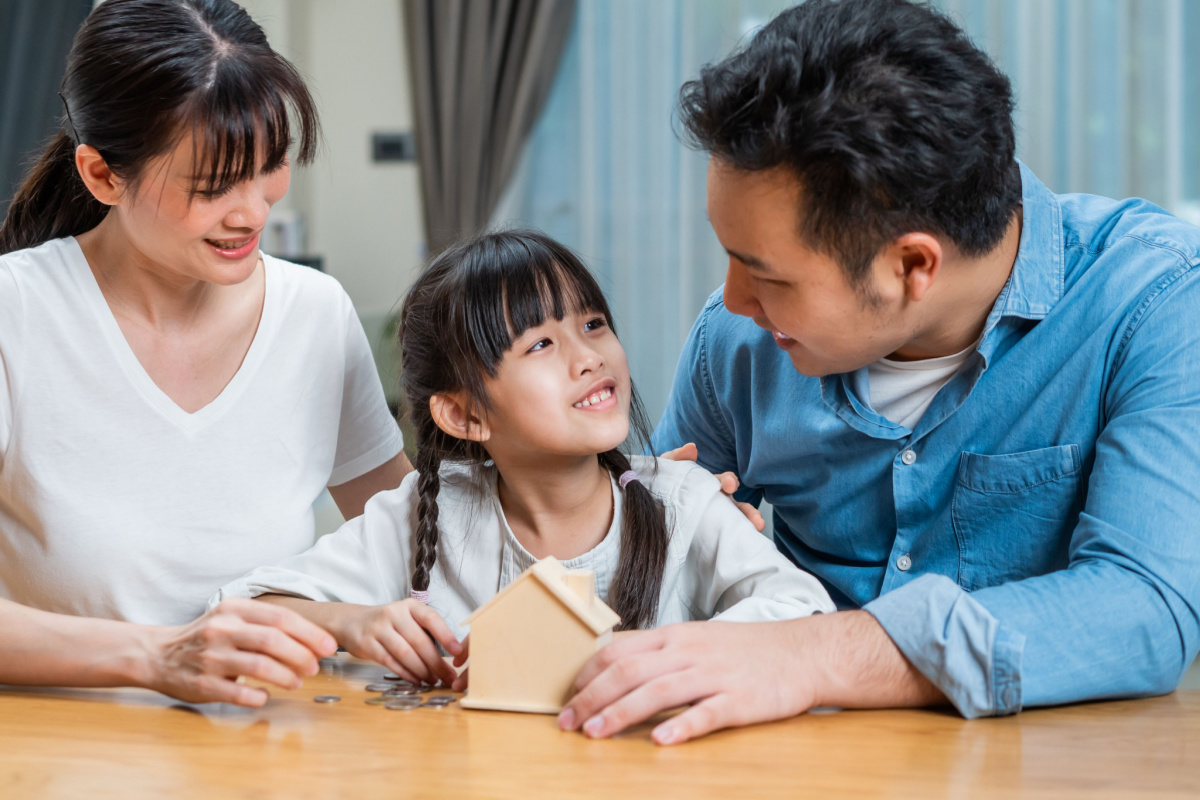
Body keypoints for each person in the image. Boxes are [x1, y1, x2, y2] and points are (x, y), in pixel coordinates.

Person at [557, 0, 1200, 745]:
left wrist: (813, 656)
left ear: (912, 266)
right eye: (728, 255)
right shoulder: (735, 338)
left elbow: (1145, 607)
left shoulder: (1153, 300)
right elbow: (645, 554)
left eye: (765, 273)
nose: (733, 299)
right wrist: (676, 552)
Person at [0, 0, 408, 704]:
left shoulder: (315, 315)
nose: (253, 211)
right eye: (214, 186)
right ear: (102, 176)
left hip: (265, 760)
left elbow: (411, 538)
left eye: (271, 167)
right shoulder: (19, 315)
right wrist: (159, 656)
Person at [209, 230, 835, 687]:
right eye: (540, 342)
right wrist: (355, 623)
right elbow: (241, 610)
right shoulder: (426, 515)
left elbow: (803, 614)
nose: (589, 355)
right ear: (464, 414)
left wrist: (627, 659)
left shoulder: (684, 500)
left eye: (593, 324)